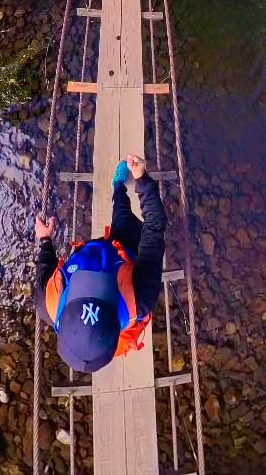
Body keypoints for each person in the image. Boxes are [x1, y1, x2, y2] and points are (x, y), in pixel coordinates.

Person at [33, 154, 166, 373]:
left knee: (121, 215)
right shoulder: (140, 296)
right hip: (123, 253)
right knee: (123, 218)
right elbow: (154, 226)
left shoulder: (46, 302)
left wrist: (45, 240)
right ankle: (118, 188)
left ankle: (118, 187)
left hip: (97, 254)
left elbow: (44, 267)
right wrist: (142, 180)